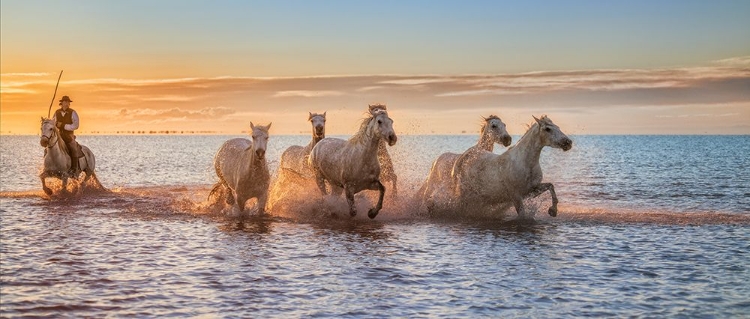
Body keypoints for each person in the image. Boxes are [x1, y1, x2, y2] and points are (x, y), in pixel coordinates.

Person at [52, 95, 82, 173]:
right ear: (61, 103)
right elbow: (53, 123)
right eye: (65, 102)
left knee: (73, 148)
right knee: (49, 147)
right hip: (59, 135)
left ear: (69, 103)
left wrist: (64, 126)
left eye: (68, 102)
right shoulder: (56, 112)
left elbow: (76, 125)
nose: (66, 103)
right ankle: (49, 165)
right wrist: (54, 124)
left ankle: (74, 169)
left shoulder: (73, 112)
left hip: (69, 136)